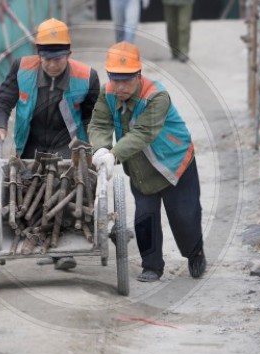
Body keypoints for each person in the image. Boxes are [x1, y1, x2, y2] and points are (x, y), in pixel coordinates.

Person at [88, 41, 206, 282]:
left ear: (138, 75)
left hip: (174, 164)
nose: (120, 86)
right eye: (115, 78)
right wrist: (101, 148)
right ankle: (151, 266)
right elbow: (100, 123)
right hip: (141, 167)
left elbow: (143, 133)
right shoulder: (107, 92)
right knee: (144, 215)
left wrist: (114, 154)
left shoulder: (157, 96)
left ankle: (195, 253)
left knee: (185, 216)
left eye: (127, 79)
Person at [0, 18, 100, 270]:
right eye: (46, 58)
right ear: (38, 53)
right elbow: (2, 101)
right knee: (29, 188)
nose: (51, 64)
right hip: (31, 142)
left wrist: (95, 144)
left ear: (69, 54)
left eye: (58, 59)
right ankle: (36, 235)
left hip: (67, 142)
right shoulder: (22, 68)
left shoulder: (87, 76)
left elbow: (95, 115)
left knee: (63, 187)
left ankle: (60, 250)